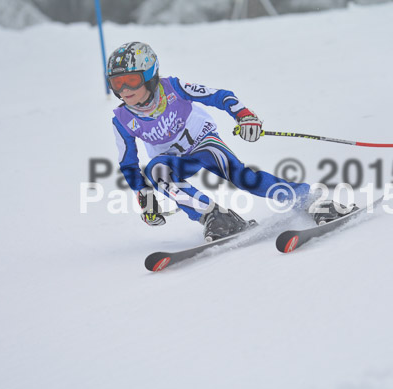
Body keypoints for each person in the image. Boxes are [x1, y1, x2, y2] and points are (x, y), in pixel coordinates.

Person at [108, 42, 348, 242]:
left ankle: (310, 200)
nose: (125, 90)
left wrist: (244, 116)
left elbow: (219, 96)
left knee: (243, 178)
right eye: (117, 83)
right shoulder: (122, 119)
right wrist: (145, 197)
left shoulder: (173, 88)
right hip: (174, 160)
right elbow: (128, 163)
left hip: (203, 142)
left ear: (150, 76)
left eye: (131, 80)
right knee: (157, 170)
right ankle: (215, 216)